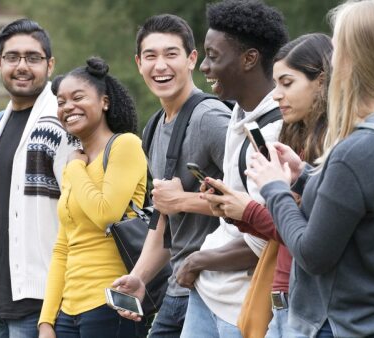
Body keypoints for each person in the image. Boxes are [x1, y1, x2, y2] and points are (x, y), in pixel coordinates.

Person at [248, 0, 374, 336]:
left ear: (349, 59)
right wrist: (304, 175)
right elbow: (370, 208)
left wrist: (274, 189)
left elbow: (313, 254)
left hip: (348, 325)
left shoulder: (358, 149)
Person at [201, 33, 332, 338]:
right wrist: (236, 211)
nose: (276, 95)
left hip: (310, 305)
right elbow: (288, 228)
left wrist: (249, 211)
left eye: (287, 83)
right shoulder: (300, 139)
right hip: (287, 296)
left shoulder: (335, 148)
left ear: (322, 82)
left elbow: (306, 238)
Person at [174, 1, 289, 337]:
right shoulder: (239, 113)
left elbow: (264, 240)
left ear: (249, 59)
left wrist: (196, 261)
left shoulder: (276, 131)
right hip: (209, 294)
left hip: (242, 307)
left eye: (213, 56)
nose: (205, 67)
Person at [112, 14, 231, 337]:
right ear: (138, 63)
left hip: (218, 291)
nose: (160, 65)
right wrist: (139, 277)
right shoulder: (153, 128)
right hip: (177, 287)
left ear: (192, 59)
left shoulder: (211, 119)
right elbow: (163, 220)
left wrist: (183, 200)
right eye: (150, 56)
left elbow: (257, 202)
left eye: (171, 54)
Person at [0, 18, 76, 338]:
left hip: (39, 301)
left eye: (33, 57)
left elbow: (76, 216)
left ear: (50, 65)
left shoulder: (63, 121)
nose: (22, 66)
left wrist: (52, 311)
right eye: (12, 57)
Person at [37, 57, 145, 338]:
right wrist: (47, 320)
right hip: (68, 311)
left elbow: (105, 213)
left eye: (77, 97)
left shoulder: (125, 145)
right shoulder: (77, 164)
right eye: (61, 102)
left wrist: (74, 166)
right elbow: (63, 246)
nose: (67, 107)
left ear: (104, 102)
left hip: (112, 304)